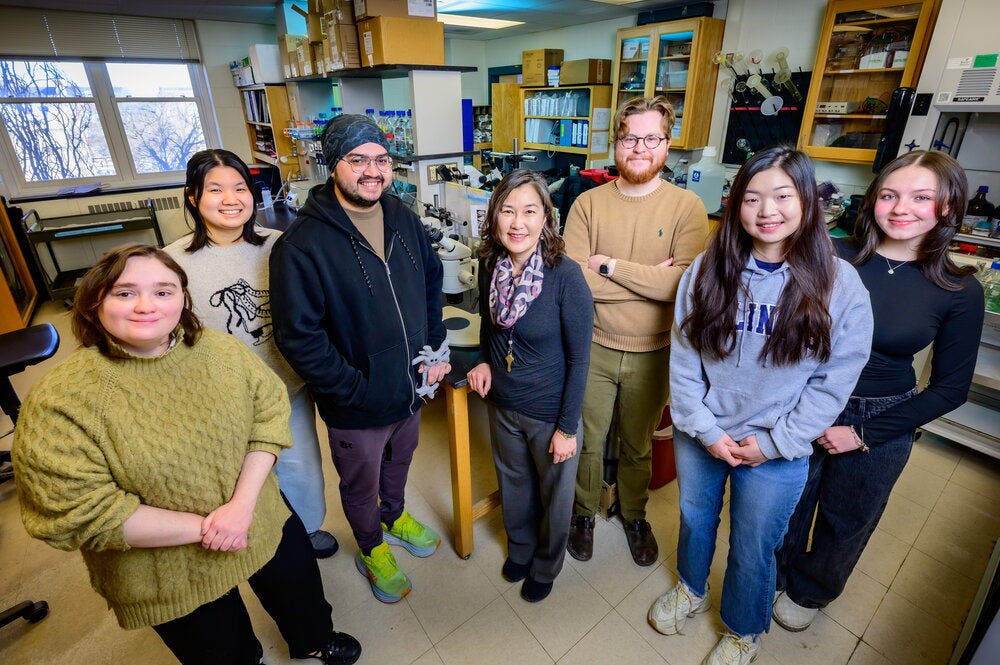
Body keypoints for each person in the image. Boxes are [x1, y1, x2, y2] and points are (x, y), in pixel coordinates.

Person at [12, 245, 361, 665]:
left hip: (259, 512)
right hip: (165, 562)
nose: (146, 306)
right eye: (124, 293)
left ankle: (313, 639)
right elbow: (74, 513)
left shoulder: (219, 351)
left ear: (183, 298)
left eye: (164, 291)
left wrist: (242, 507)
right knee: (221, 649)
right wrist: (211, 529)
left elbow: (268, 414)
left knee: (299, 589)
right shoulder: (60, 402)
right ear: (93, 302)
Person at [647, 146, 873, 665]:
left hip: (777, 446)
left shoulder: (840, 284)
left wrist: (775, 443)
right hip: (703, 433)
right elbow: (684, 359)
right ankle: (690, 587)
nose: (766, 210)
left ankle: (743, 628)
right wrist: (705, 430)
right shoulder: (708, 270)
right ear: (735, 206)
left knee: (754, 542)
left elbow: (834, 382)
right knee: (694, 518)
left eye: (782, 196)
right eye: (752, 198)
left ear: (807, 202)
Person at [773, 150, 985, 632]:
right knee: (785, 503)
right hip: (806, 397)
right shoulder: (830, 253)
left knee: (848, 518)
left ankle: (811, 591)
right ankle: (775, 575)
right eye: (889, 194)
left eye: (921, 197)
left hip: (882, 414)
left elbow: (950, 389)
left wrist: (861, 433)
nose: (900, 207)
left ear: (948, 207)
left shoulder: (957, 289)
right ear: (873, 200)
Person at [270, 113, 449, 604]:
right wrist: (354, 389)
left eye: (381, 159)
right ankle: (371, 547)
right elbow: (298, 336)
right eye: (358, 160)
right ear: (333, 166)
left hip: (411, 387)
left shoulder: (403, 217)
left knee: (401, 460)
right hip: (356, 401)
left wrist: (434, 347)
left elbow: (431, 283)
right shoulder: (301, 246)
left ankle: (394, 516)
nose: (372, 170)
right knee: (360, 480)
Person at [165, 148, 337, 559]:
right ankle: (266, 539)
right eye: (216, 189)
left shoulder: (282, 245)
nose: (231, 199)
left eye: (240, 187)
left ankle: (307, 530)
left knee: (301, 468)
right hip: (222, 397)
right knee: (243, 478)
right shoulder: (173, 261)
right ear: (193, 197)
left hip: (286, 387)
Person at [562, 95, 709, 566]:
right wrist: (650, 279)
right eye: (630, 138)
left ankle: (633, 513)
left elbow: (684, 286)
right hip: (593, 346)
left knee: (638, 445)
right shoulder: (587, 204)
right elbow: (572, 286)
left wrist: (606, 266)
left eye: (651, 138)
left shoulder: (687, 207)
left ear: (667, 145)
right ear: (617, 142)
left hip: (655, 351)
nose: (640, 147)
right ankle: (583, 512)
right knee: (587, 437)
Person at [465, 169, 593, 603]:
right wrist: (484, 361)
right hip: (503, 402)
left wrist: (567, 429)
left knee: (555, 495)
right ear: (494, 217)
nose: (517, 222)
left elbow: (580, 359)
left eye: (529, 211)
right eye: (508, 210)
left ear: (546, 219)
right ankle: (520, 547)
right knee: (514, 483)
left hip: (549, 411)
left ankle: (546, 563)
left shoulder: (566, 276)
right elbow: (489, 326)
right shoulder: (489, 266)